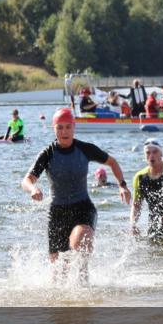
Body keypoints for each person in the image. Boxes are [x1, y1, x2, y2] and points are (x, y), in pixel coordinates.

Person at [21, 108, 131, 284]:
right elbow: (27, 180)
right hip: (57, 213)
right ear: (54, 129)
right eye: (59, 128)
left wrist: (122, 185)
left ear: (74, 127)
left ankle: (83, 286)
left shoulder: (85, 149)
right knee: (58, 273)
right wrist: (33, 189)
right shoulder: (48, 153)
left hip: (83, 208)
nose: (64, 132)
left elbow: (112, 162)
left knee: (81, 241)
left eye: (67, 127)